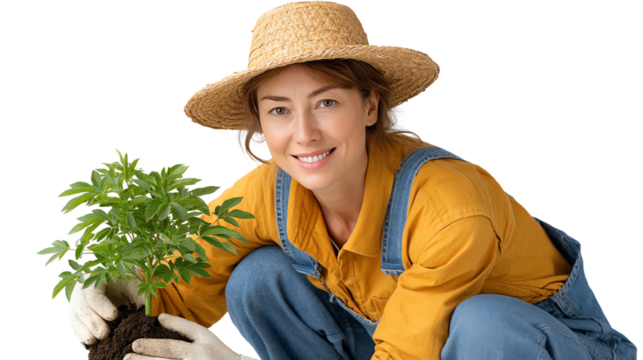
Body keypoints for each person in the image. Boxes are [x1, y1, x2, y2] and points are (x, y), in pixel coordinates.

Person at [68, 1, 638, 359]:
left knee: (484, 322)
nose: (305, 134)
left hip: (537, 348)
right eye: (280, 111)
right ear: (261, 128)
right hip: (404, 345)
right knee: (256, 277)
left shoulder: (448, 208)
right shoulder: (270, 190)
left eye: (326, 102)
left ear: (370, 106)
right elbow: (173, 289)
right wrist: (105, 290)